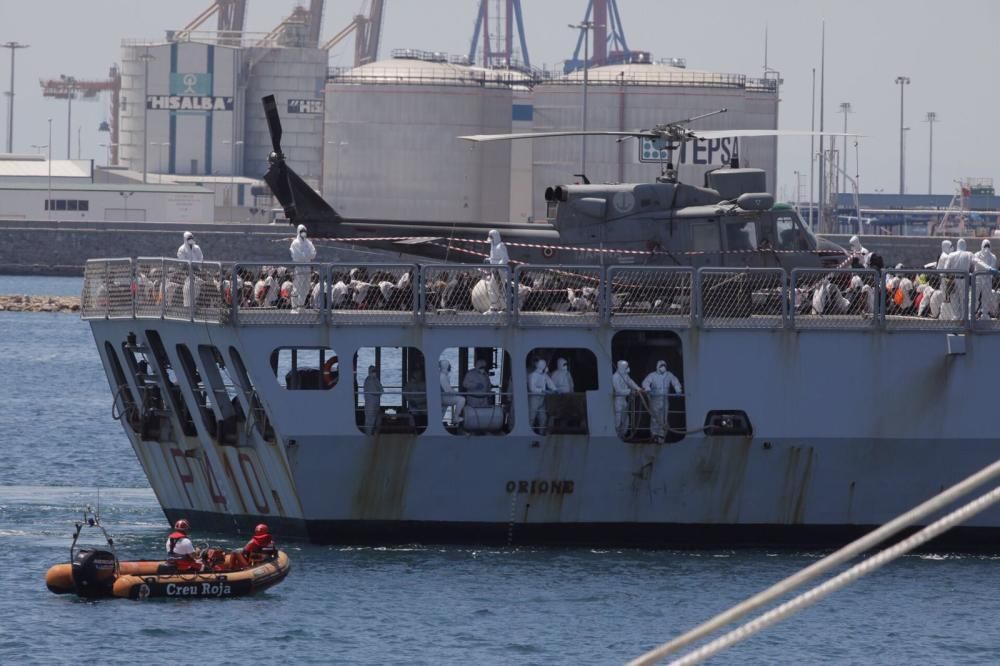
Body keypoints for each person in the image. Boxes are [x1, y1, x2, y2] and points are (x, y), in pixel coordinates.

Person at [641, 360, 683, 443]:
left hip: (665, 400)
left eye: (664, 366)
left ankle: (662, 436)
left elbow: (675, 382)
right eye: (661, 366)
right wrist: (648, 389)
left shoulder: (669, 375)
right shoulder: (652, 375)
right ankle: (654, 435)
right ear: (657, 367)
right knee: (654, 418)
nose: (663, 367)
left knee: (664, 418)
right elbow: (645, 382)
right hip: (654, 400)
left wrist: (678, 390)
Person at [289, 224, 317, 310]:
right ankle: (295, 305)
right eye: (302, 231)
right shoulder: (295, 243)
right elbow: (296, 255)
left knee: (306, 287)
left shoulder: (309, 242)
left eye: (304, 231)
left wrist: (305, 256)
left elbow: (313, 254)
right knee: (298, 286)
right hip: (299, 267)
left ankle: (301, 304)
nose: (303, 233)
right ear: (298, 232)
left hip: (307, 267)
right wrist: (306, 256)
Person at [612, 360, 641, 437]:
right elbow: (618, 391)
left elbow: (631, 382)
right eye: (626, 367)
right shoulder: (615, 377)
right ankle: (616, 435)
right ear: (622, 367)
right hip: (618, 401)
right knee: (618, 418)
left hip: (624, 400)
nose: (628, 368)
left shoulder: (625, 375)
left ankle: (623, 435)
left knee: (626, 418)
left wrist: (638, 389)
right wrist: (630, 391)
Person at [527, 359, 557, 433]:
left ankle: (541, 433)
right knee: (531, 417)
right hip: (534, 398)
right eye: (543, 365)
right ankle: (529, 433)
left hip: (542, 399)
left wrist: (555, 390)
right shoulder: (532, 375)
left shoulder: (544, 375)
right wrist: (543, 391)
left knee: (543, 418)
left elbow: (550, 383)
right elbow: (532, 388)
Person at [176, 231, 204, 308]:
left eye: (191, 238)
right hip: (186, 271)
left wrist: (198, 267)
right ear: (185, 239)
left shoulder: (197, 248)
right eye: (189, 238)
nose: (190, 240)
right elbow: (182, 263)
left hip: (197, 271)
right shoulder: (181, 249)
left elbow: (200, 258)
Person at [485, 229, 510, 312]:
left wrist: (497, 266)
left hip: (500, 271)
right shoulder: (492, 246)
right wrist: (488, 260)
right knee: (492, 287)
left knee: (500, 288)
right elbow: (493, 258)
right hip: (494, 270)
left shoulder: (501, 246)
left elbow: (505, 259)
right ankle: (495, 306)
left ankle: (504, 307)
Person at [974, 239, 998, 319]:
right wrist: (988, 269)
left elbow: (993, 267)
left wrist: (989, 270)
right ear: (982, 246)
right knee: (975, 297)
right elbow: (977, 263)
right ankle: (971, 313)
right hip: (978, 279)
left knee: (986, 298)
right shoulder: (977, 255)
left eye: (988, 246)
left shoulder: (993, 257)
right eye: (985, 246)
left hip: (987, 280)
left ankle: (985, 314)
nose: (986, 248)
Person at [439, 359, 465, 426]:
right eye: (449, 366)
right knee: (461, 399)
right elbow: (448, 390)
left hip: (442, 397)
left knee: (441, 413)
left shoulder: (443, 375)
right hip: (443, 397)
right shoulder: (442, 376)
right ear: (446, 366)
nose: (450, 367)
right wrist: (458, 393)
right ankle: (455, 417)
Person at [362, 365, 383, 435]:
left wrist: (378, 392)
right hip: (370, 403)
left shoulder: (376, 379)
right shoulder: (368, 380)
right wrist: (378, 392)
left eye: (374, 371)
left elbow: (381, 390)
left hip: (376, 402)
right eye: (373, 371)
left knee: (375, 418)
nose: (374, 372)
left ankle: (373, 433)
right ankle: (368, 434)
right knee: (369, 419)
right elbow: (375, 391)